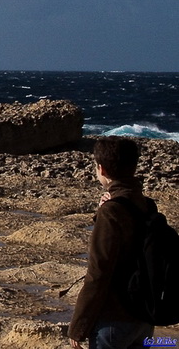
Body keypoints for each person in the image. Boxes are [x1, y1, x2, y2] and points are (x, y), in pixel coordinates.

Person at [69, 136, 154, 348]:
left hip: (114, 320)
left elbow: (98, 273)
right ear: (134, 166)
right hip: (144, 315)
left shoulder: (112, 211)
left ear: (101, 169)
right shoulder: (146, 205)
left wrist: (78, 327)